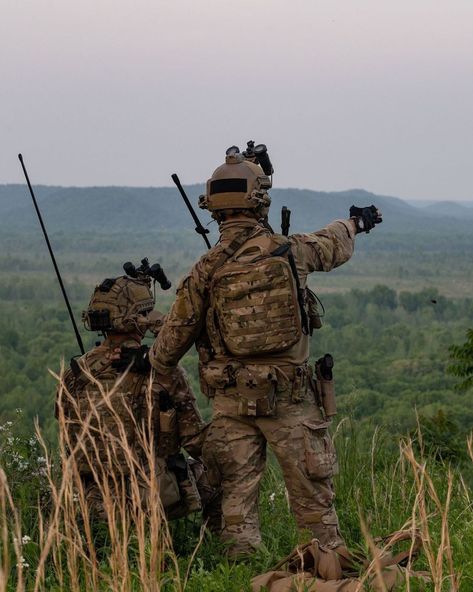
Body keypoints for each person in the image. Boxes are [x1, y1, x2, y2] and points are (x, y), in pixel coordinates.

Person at [149, 146, 382, 556]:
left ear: (212, 206)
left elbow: (167, 350)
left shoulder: (205, 270)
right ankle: (328, 566)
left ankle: (239, 572)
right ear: (260, 200)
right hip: (291, 400)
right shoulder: (291, 251)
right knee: (314, 504)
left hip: (230, 405)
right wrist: (356, 221)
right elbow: (333, 242)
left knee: (233, 508)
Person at [56, 266, 218, 522]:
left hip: (91, 498)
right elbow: (196, 442)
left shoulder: (75, 373)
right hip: (150, 497)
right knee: (223, 468)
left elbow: (67, 435)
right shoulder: (163, 372)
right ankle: (217, 547)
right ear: (138, 318)